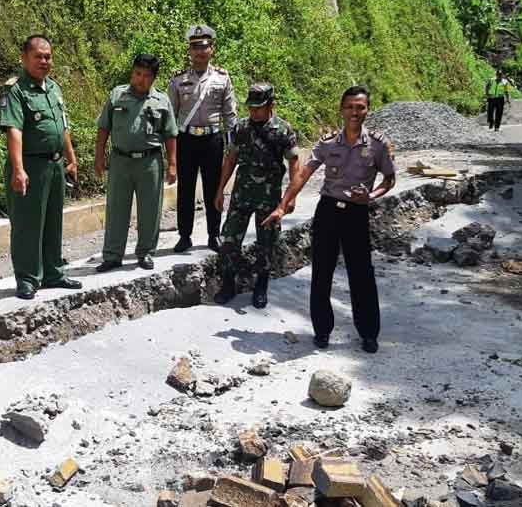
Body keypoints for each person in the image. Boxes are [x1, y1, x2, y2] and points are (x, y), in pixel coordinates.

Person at [262, 85, 396, 353]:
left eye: (360, 107)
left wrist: (371, 195)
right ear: (341, 109)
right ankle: (322, 331)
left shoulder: (379, 145)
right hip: (328, 212)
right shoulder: (328, 142)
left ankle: (369, 333)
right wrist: (282, 206)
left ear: (367, 110)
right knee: (321, 272)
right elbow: (303, 175)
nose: (354, 112)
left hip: (357, 214)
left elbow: (390, 179)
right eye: (350, 107)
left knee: (362, 275)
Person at [0, 35, 83, 299]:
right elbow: (14, 130)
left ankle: (53, 273)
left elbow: (63, 125)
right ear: (24, 58)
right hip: (31, 165)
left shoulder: (54, 88)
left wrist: (71, 158)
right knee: (27, 224)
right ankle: (27, 277)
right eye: (38, 56)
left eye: (48, 56)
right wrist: (18, 168)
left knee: (52, 221)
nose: (44, 61)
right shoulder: (16, 90)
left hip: (55, 164)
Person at [212, 83, 300, 309]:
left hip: (269, 198)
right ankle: (229, 282)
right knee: (229, 239)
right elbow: (230, 159)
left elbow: (294, 163)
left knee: (266, 244)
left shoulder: (283, 130)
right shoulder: (241, 128)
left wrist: (290, 199)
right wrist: (220, 190)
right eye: (251, 107)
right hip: (242, 195)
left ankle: (261, 284)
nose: (254, 112)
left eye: (258, 107)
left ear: (271, 105)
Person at [94, 55, 178, 272]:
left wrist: (172, 164)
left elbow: (170, 134)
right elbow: (104, 127)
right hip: (120, 160)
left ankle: (146, 252)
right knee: (116, 209)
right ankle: (112, 255)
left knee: (150, 210)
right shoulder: (117, 95)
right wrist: (99, 156)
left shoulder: (161, 100)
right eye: (137, 74)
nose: (140, 79)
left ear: (153, 78)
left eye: (146, 76)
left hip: (150, 162)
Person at [168, 24, 237, 253]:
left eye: (204, 47)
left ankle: (213, 234)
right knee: (185, 189)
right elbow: (171, 115)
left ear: (212, 50)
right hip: (186, 140)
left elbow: (229, 114)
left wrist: (232, 146)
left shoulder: (222, 78)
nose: (199, 51)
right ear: (189, 51)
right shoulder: (178, 80)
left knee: (213, 188)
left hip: (212, 140)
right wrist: (170, 150)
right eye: (195, 47)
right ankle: (184, 236)